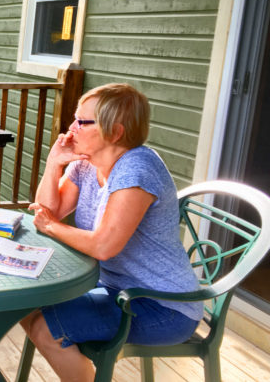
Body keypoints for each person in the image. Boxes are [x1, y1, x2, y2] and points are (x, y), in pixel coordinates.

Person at [21, 83, 203, 381]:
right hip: (116, 290)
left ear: (115, 132)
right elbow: (46, 210)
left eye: (82, 122)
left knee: (46, 329)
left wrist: (52, 227)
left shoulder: (137, 170)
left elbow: (104, 246)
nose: (72, 128)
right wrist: (54, 162)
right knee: (23, 307)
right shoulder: (87, 162)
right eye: (74, 119)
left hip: (163, 306)